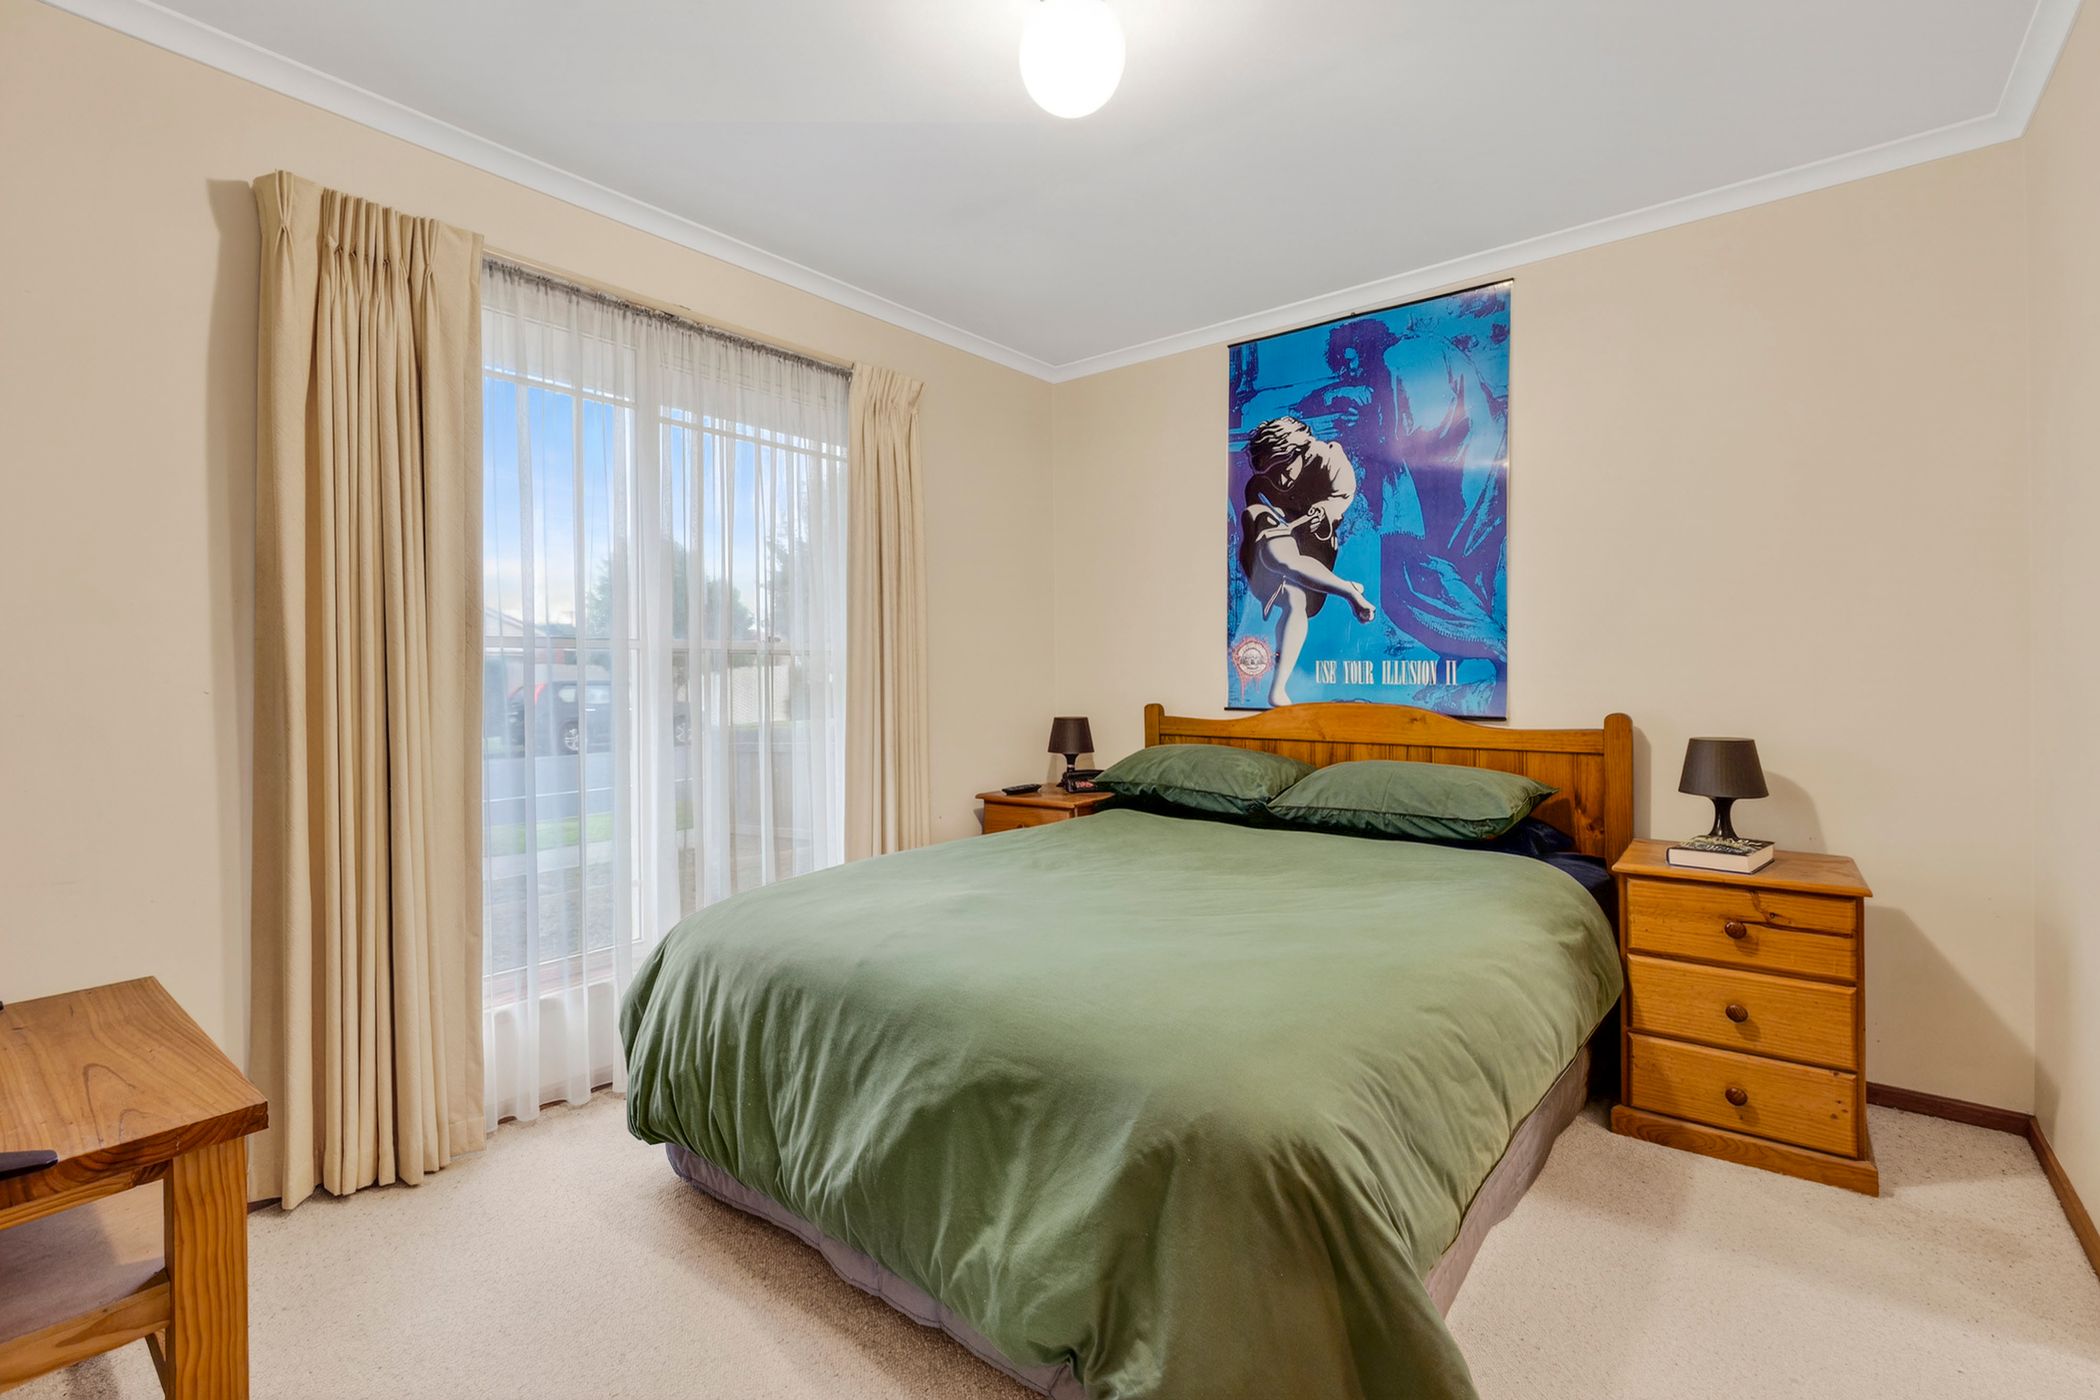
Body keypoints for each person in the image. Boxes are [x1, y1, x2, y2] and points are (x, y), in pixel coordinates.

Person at [1237, 416, 1376, 706]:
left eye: (1283, 469)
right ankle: (1348, 590)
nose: (1280, 480)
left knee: (1296, 599)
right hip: (1266, 553)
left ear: (1300, 451)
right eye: (1271, 473)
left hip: (1315, 551)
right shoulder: (1258, 487)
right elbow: (1270, 534)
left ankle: (1278, 690)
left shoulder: (1329, 459)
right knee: (1279, 558)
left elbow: (1342, 495)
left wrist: (1321, 513)